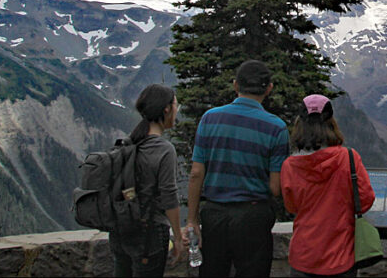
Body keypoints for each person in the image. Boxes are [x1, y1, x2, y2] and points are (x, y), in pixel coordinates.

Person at [186, 60, 289, 278]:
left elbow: (196, 174)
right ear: (269, 88)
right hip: (254, 216)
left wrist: (192, 220)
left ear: (235, 85)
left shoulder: (209, 118)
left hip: (214, 215)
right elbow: (275, 187)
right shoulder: (276, 127)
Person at [281, 94, 375, 278]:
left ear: (300, 123)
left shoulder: (290, 165)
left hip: (304, 256)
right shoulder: (349, 158)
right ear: (331, 121)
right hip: (341, 256)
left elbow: (291, 206)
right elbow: (365, 200)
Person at [110, 84, 186, 277]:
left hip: (121, 230)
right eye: (176, 105)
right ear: (167, 109)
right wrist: (177, 237)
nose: (177, 111)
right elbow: (169, 197)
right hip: (150, 232)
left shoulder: (129, 143)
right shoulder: (163, 149)